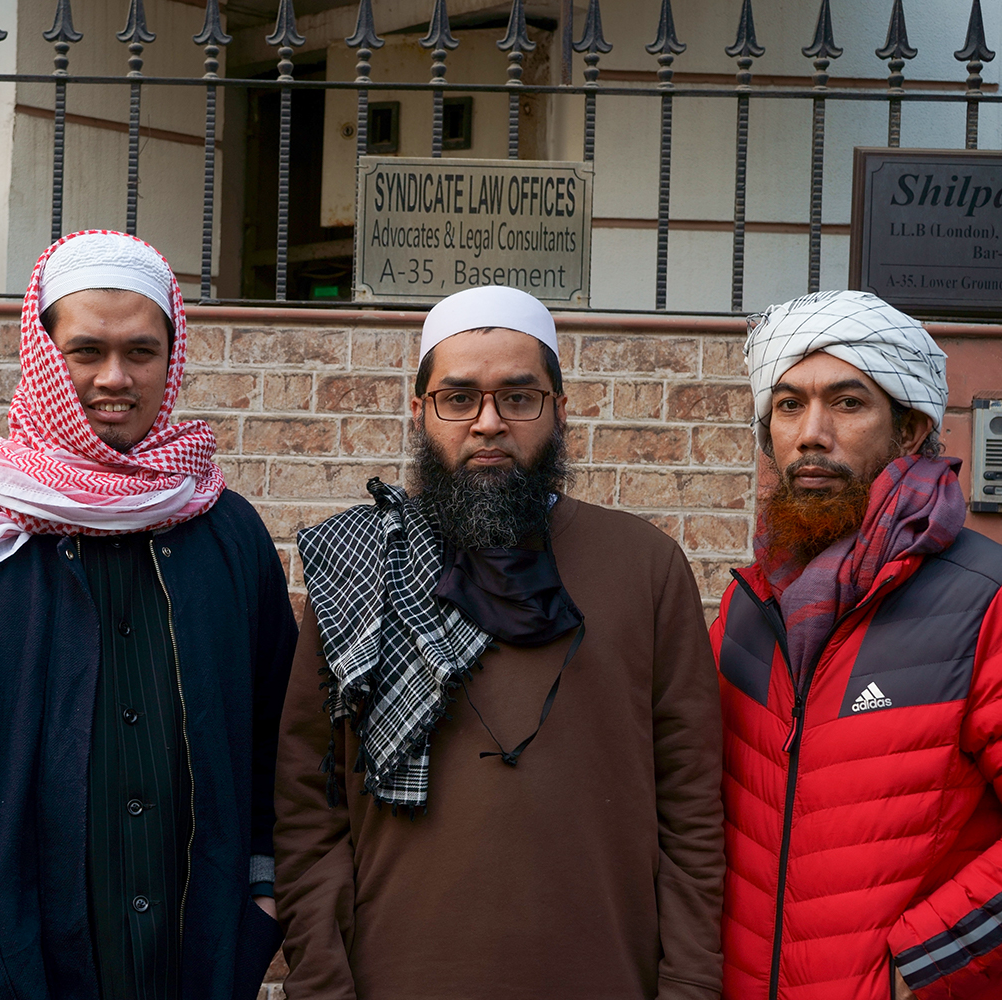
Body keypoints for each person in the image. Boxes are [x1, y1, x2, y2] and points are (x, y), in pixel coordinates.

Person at [0, 230, 298, 1000]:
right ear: (44, 354)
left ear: (171, 358)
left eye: (141, 352)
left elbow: (283, 740)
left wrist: (261, 896)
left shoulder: (225, 530)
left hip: (196, 963)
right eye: (86, 351)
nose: (115, 378)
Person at [274, 285, 725, 1000]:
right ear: (420, 412)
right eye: (459, 398)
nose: (488, 423)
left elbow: (694, 810)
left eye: (519, 398)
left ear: (561, 411)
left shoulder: (644, 564)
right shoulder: (360, 565)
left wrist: (690, 985)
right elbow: (307, 803)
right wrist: (324, 982)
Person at [716, 290, 1002, 1000]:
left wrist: (924, 961)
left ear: (908, 431)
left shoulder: (983, 601)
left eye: (847, 403)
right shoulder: (750, 605)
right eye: (788, 405)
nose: (811, 432)